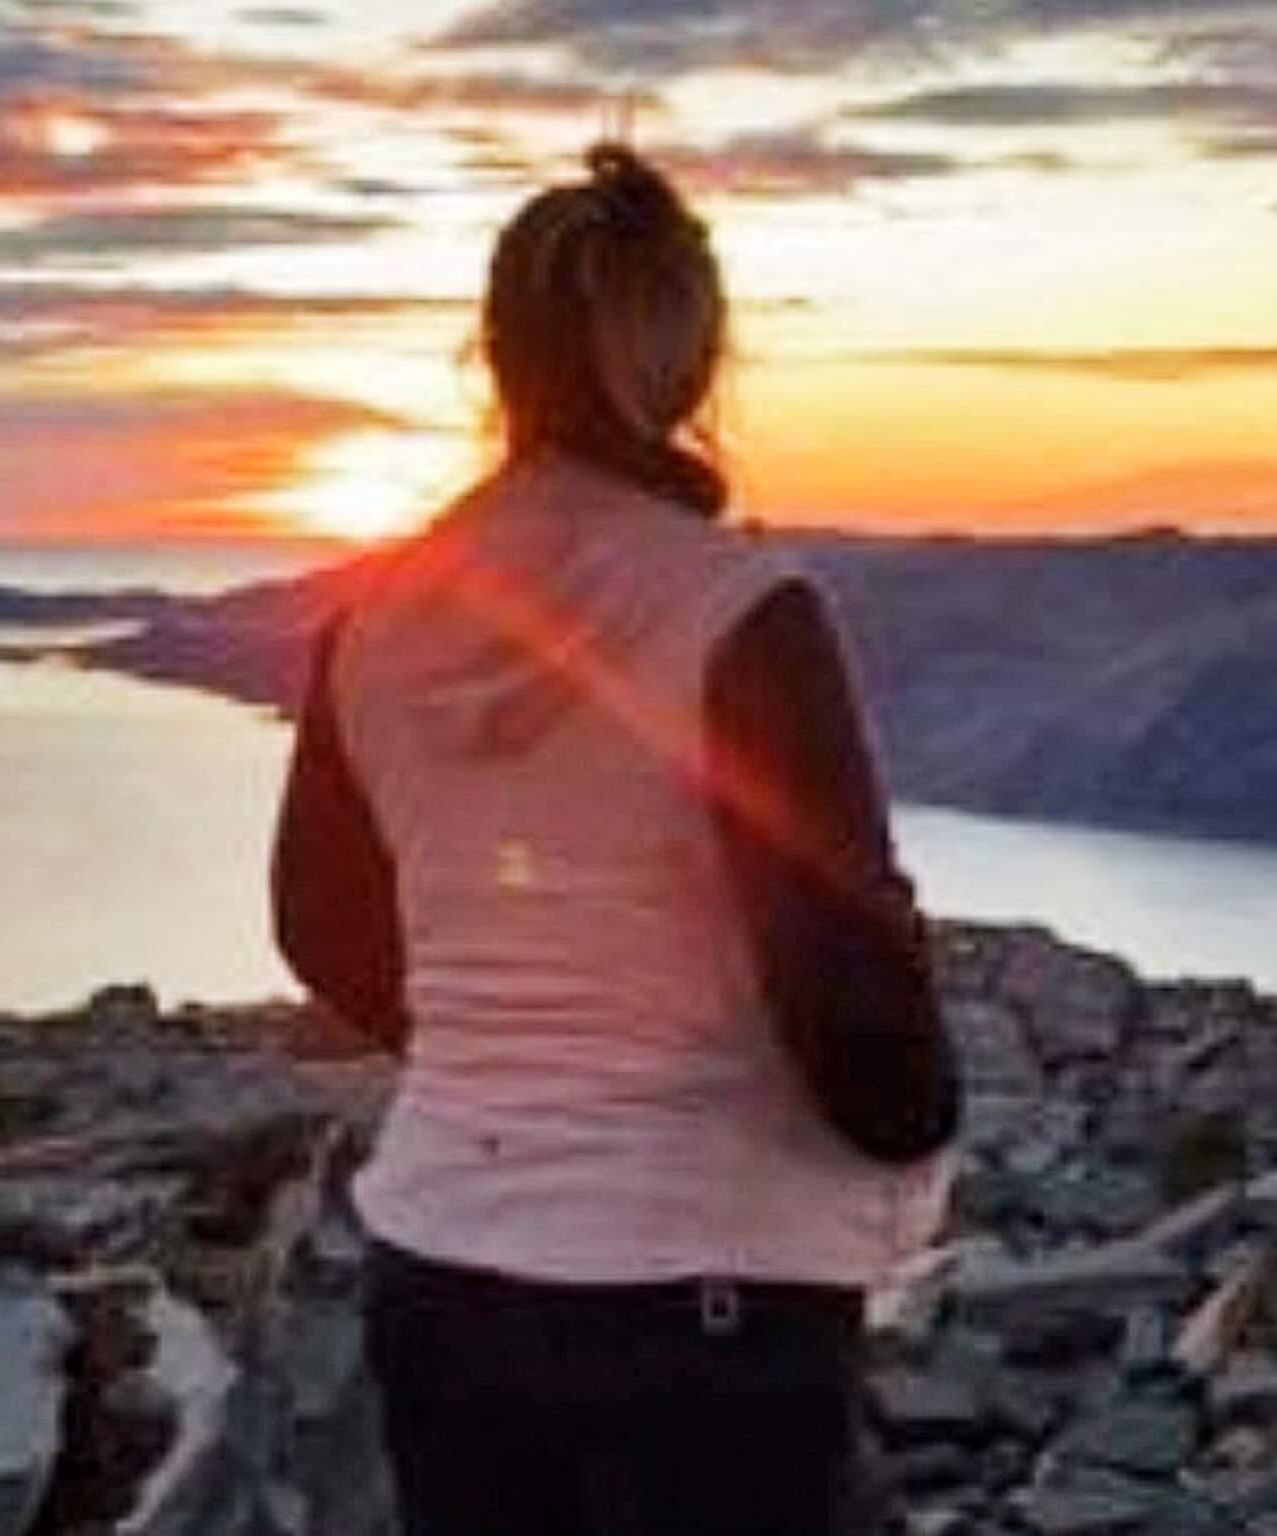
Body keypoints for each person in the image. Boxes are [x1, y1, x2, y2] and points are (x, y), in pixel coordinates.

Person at [269, 141, 961, 1536]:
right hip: (705, 1285)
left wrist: (503, 1059)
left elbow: (318, 922)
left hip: (442, 1260)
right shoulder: (739, 610)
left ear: (498, 357)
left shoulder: (372, 624)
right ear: (695, 363)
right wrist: (916, 1126)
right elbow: (839, 965)